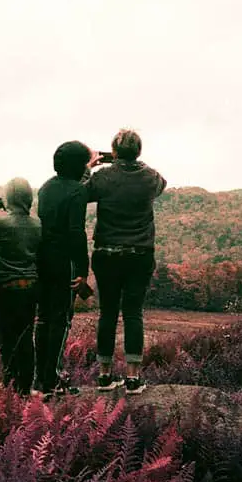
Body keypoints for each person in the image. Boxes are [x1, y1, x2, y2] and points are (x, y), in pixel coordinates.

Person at [86, 129, 167, 395]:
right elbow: (161, 183)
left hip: (107, 253)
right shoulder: (149, 177)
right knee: (133, 313)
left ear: (115, 152)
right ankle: (133, 378)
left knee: (107, 313)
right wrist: (137, 163)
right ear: (139, 151)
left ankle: (104, 375)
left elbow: (83, 193)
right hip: (139, 254)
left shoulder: (103, 177)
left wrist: (90, 167)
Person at [34, 141, 93, 396]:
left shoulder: (46, 187)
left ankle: (40, 379)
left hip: (42, 258)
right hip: (64, 262)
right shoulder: (77, 192)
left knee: (44, 318)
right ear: (79, 165)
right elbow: (76, 233)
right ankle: (52, 379)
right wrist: (83, 267)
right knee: (61, 320)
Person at [0, 178, 40, 395]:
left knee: (7, 337)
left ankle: (10, 384)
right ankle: (27, 385)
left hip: (7, 288)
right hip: (30, 288)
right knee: (26, 336)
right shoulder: (37, 224)